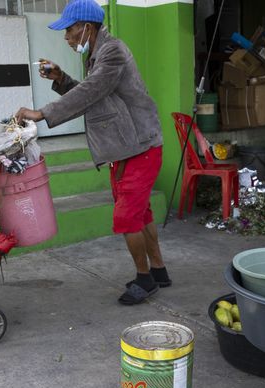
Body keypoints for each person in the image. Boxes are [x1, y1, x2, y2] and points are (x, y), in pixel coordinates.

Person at [15, 0, 170, 305]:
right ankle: (160, 271)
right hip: (126, 147)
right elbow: (95, 93)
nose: (67, 37)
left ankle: (145, 279)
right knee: (141, 213)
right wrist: (61, 79)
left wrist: (42, 113)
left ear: (87, 27)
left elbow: (91, 92)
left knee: (127, 217)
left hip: (139, 146)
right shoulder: (99, 53)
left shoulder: (112, 52)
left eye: (70, 30)